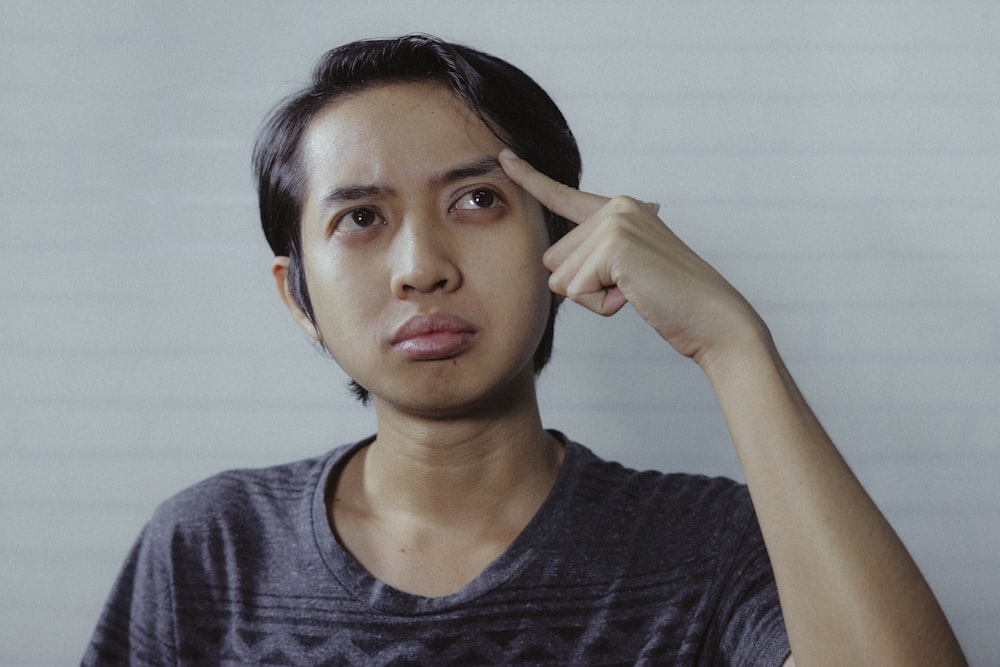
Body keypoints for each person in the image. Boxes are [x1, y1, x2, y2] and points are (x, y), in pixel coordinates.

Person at [83, 35, 966, 666]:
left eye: (475, 201)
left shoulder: (712, 546)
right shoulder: (210, 547)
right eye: (360, 219)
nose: (421, 267)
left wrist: (734, 345)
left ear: (565, 240)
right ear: (298, 297)